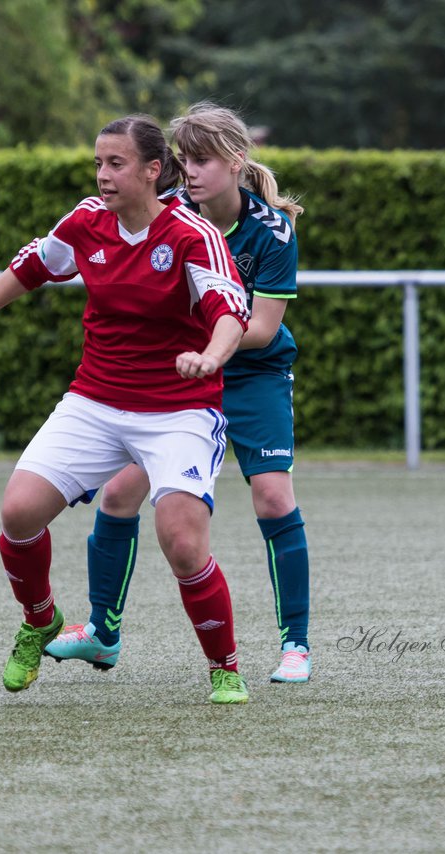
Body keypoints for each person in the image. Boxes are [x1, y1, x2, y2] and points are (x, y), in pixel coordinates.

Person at [0, 115, 254, 704]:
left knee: (182, 542)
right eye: (98, 163)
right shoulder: (86, 221)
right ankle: (40, 621)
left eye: (116, 164)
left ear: (153, 171)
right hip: (96, 400)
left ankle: (225, 668)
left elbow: (229, 311)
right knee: (18, 513)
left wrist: (210, 357)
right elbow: (27, 269)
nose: (103, 176)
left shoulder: (191, 234)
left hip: (179, 410)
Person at [42, 103, 311, 684]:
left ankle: (295, 644)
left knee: (271, 497)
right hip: (179, 378)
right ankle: (102, 633)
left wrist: (210, 352)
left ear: (237, 163)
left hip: (249, 373)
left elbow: (260, 329)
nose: (188, 171)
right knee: (117, 495)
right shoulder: (171, 214)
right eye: (183, 159)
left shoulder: (271, 231)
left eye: (203, 159)